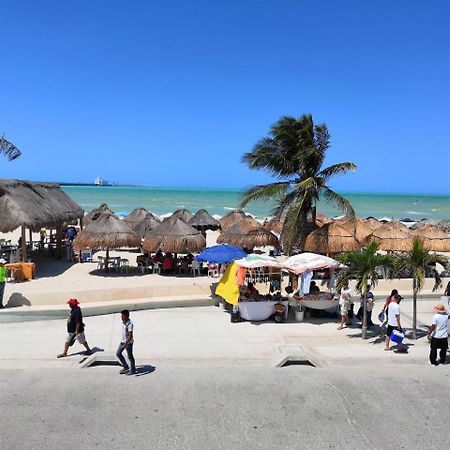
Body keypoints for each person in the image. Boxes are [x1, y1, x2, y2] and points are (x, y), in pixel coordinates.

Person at [116, 309, 136, 375]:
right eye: (121, 316)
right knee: (118, 353)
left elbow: (130, 335)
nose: (121, 317)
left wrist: (125, 344)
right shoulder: (123, 322)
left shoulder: (130, 324)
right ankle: (126, 367)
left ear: (127, 316)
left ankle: (133, 370)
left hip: (128, 343)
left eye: (123, 316)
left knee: (130, 356)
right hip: (123, 341)